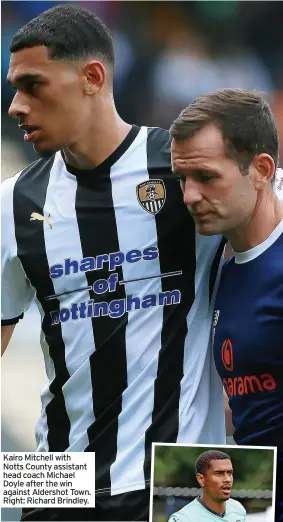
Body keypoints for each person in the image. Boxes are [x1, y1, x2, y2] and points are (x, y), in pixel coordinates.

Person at [1, 5, 228, 522]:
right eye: (14, 87)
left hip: (182, 472)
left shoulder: (185, 168)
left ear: (92, 77)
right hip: (55, 481)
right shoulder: (11, 203)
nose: (16, 106)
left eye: (33, 85)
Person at [170, 88, 283, 521]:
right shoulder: (216, 256)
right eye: (183, 179)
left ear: (261, 169)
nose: (189, 196)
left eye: (206, 176)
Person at [168, 450, 246, 522]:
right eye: (219, 473)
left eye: (229, 473)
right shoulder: (183, 519)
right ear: (201, 479)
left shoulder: (238, 508)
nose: (227, 479)